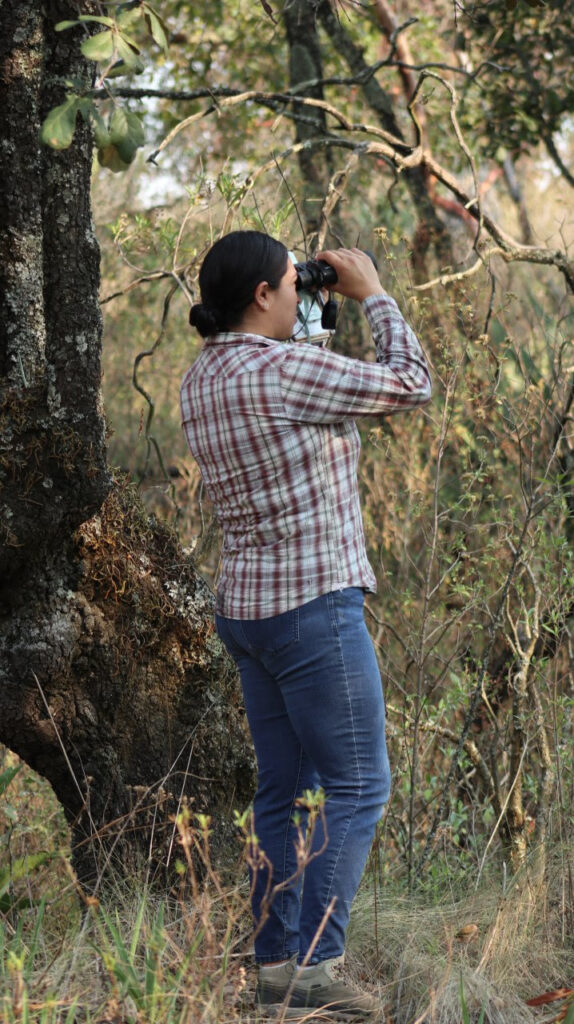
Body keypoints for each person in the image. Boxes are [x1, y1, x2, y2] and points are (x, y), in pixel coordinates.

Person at [180, 230, 431, 1019]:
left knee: (284, 792)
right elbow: (411, 384)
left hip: (248, 612)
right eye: (294, 282)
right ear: (263, 295)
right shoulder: (288, 371)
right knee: (360, 785)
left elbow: (303, 390)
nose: (300, 290)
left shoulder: (203, 377)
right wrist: (375, 295)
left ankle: (273, 964)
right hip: (313, 606)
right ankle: (316, 969)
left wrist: (315, 310)